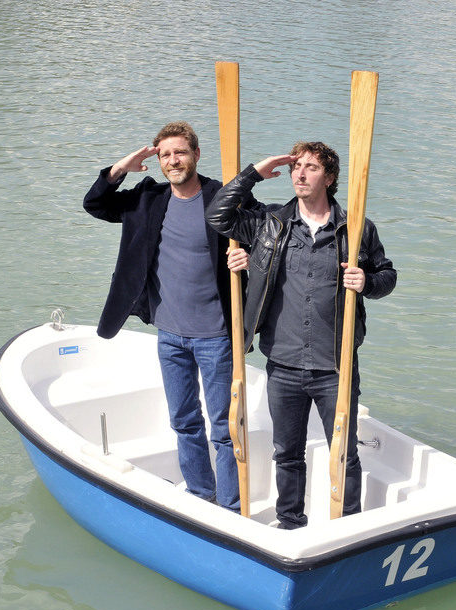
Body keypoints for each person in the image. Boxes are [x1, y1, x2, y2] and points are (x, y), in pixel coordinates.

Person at [205, 141, 396, 528]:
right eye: (296, 167)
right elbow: (217, 215)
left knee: (343, 453)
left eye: (311, 167)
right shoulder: (271, 223)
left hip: (335, 366)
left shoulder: (356, 229)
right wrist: (255, 172)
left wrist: (367, 282)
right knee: (287, 453)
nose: (300, 174)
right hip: (283, 364)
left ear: (329, 177)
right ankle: (291, 522)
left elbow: (387, 275)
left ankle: (348, 527)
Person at [83, 121, 247, 512]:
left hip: (217, 336)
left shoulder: (222, 197)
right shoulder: (148, 199)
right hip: (169, 335)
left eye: (181, 152)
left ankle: (230, 506)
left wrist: (248, 256)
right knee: (184, 420)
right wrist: (120, 169)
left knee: (224, 427)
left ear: (196, 155)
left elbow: (265, 234)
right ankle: (201, 492)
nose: (173, 161)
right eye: (166, 155)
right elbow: (96, 205)